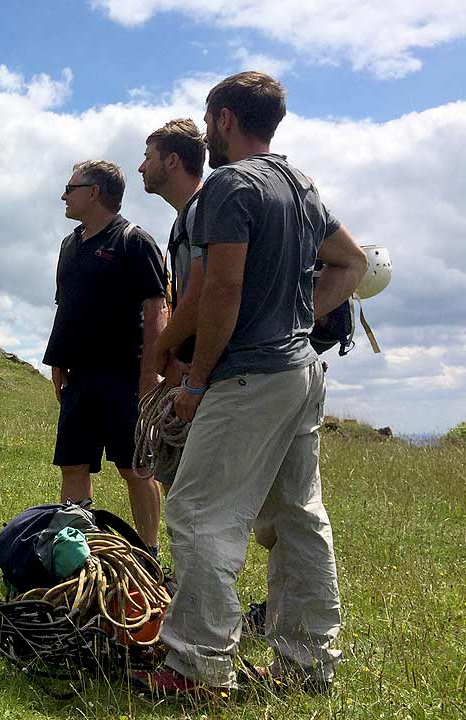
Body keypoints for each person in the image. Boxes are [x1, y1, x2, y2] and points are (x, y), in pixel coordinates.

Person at [135, 72, 368, 696]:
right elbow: (354, 263)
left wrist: (197, 380)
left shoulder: (231, 186)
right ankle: (307, 662)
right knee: (298, 516)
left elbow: (222, 286)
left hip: (248, 378)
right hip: (301, 373)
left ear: (226, 119)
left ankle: (197, 667)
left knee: (198, 513)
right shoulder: (301, 185)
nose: (207, 130)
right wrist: (299, 318)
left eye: (210, 119)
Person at [42, 160, 169, 554]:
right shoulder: (69, 244)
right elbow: (66, 305)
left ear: (94, 192)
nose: (64, 195)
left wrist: (150, 375)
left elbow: (157, 310)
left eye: (70, 187)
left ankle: (149, 554)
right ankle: (76, 557)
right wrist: (59, 363)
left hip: (125, 376)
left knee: (135, 468)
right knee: (73, 464)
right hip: (80, 377)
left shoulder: (134, 241)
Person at [137, 118, 207, 487]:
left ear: (173, 161)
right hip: (190, 370)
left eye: (148, 156)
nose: (141, 166)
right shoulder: (186, 219)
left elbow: (200, 294)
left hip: (200, 377)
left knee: (191, 500)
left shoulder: (200, 214)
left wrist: (165, 353)